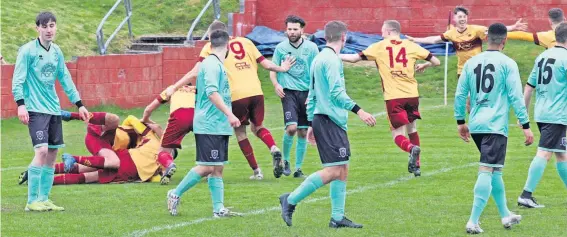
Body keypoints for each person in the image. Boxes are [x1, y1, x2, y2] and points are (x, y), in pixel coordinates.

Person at [167, 20, 295, 180]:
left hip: (235, 95)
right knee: (258, 127)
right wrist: (282, 68)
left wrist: (175, 86)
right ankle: (273, 148)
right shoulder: (246, 42)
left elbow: (196, 72)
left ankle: (257, 171)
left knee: (240, 132)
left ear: (213, 35)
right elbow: (266, 64)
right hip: (256, 92)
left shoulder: (211, 47)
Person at [279, 20, 376, 229]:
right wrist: (360, 111)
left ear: (325, 37)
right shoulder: (331, 60)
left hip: (325, 119)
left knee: (342, 169)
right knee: (333, 171)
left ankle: (337, 217)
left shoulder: (319, 58)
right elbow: (336, 93)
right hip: (330, 120)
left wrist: (312, 122)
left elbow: (311, 95)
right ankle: (291, 199)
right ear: (344, 37)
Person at [454, 23, 534, 234]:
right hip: (495, 125)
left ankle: (505, 215)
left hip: (478, 123)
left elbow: (461, 94)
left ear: (487, 39)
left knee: (495, 170)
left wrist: (460, 122)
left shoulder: (471, 63)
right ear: (504, 41)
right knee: (487, 169)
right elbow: (516, 97)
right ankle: (473, 221)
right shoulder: (508, 63)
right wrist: (525, 125)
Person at [340, 20, 441, 176]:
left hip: (394, 97)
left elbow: (354, 58)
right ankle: (417, 166)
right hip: (412, 95)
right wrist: (424, 65)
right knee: (412, 129)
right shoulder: (411, 45)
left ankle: (411, 149)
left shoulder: (379, 46)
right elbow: (436, 61)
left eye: (382, 31)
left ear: (388, 31)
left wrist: (333, 54)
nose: (381, 34)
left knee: (397, 135)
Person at [12, 11, 90, 212]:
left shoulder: (56, 52)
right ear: (37, 28)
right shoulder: (27, 51)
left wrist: (79, 104)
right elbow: (18, 80)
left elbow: (65, 79)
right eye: (44, 26)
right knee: (42, 151)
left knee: (53, 152)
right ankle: (31, 201)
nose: (49, 30)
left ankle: (44, 198)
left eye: (52, 26)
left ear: (56, 28)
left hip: (53, 109)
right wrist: (21, 104)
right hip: (35, 109)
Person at [166, 30, 242, 217]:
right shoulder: (211, 65)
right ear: (229, 45)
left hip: (218, 124)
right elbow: (212, 92)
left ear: (209, 44)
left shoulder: (216, 64)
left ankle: (218, 209)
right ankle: (175, 193)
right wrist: (230, 114)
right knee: (208, 166)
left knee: (218, 167)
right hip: (209, 124)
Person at [408, 6, 527, 111]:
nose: (462, 19)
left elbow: (494, 31)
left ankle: (479, 118)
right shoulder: (451, 33)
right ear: (454, 19)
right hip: (463, 71)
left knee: (476, 99)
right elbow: (433, 39)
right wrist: (415, 40)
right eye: (460, 17)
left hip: (479, 70)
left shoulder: (475, 30)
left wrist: (513, 27)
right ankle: (473, 121)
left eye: (464, 16)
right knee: (468, 101)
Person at [18, 112, 168, 185]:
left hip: (106, 146)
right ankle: (73, 115)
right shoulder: (148, 136)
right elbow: (130, 118)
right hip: (101, 134)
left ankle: (36, 176)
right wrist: (147, 123)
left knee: (86, 172)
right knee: (114, 121)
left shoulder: (144, 144)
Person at [516, 22, 567, 208]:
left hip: (542, 113)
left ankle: (526, 195)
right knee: (545, 153)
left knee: (561, 154)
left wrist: (523, 115)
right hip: (557, 114)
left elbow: (529, 87)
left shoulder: (543, 56)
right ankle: (526, 194)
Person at [270, 15, 320, 178]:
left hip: (306, 93)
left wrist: (312, 94)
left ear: (302, 30)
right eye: (289, 29)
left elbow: (315, 73)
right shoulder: (280, 48)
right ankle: (285, 162)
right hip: (288, 92)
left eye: (295, 29)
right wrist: (276, 84)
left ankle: (298, 168)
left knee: (303, 132)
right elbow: (273, 68)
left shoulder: (312, 48)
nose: (291, 32)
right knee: (291, 128)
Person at [142, 84, 197, 184]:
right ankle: (211, 173)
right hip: (199, 116)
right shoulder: (196, 89)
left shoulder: (172, 88)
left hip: (180, 115)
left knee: (163, 152)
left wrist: (145, 120)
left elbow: (149, 109)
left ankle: (169, 165)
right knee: (205, 146)